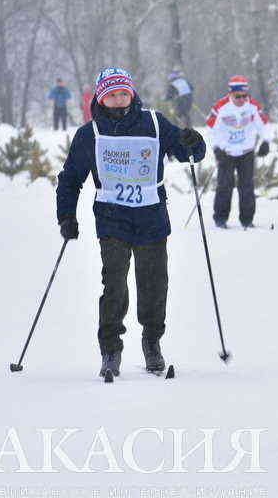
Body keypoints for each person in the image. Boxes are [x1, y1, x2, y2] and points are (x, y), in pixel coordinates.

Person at [56, 67, 206, 379]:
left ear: (132, 93)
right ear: (101, 97)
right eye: (111, 94)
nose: (118, 98)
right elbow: (70, 180)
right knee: (114, 285)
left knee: (154, 284)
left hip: (152, 217)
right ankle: (111, 349)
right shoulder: (90, 134)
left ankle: (152, 342)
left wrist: (194, 142)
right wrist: (66, 216)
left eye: (123, 92)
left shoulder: (153, 122)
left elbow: (186, 152)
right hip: (112, 219)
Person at [205, 75, 270, 229]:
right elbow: (210, 129)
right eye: (237, 96)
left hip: (246, 151)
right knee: (224, 186)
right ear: (230, 94)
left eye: (244, 96)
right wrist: (216, 148)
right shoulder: (220, 107)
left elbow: (264, 125)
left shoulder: (252, 106)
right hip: (226, 152)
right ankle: (220, 219)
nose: (241, 99)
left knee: (247, 186)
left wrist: (266, 141)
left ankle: (247, 220)